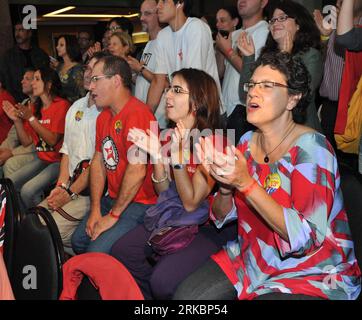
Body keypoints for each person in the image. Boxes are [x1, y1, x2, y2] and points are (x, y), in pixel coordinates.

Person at [174, 52, 361, 300]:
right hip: (252, 259)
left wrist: (246, 183)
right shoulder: (245, 142)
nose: (253, 92)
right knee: (186, 298)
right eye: (252, 84)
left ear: (293, 99)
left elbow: (305, 238)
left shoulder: (312, 149)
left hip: (312, 272)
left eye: (267, 85)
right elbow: (220, 216)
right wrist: (227, 187)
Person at [111, 68, 236, 300]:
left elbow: (191, 203)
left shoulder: (214, 141)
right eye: (169, 88)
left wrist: (177, 157)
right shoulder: (168, 136)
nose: (167, 95)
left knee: (162, 279)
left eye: (177, 90)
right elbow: (164, 192)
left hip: (206, 226)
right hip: (173, 215)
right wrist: (158, 157)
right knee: (123, 252)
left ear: (197, 101)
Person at [71, 55, 157, 254]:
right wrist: (95, 209)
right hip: (113, 198)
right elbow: (98, 162)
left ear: (116, 81)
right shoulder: (103, 118)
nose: (90, 87)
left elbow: (137, 171)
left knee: (95, 250)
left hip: (140, 203)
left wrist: (113, 216)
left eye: (96, 79)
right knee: (78, 242)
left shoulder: (139, 114)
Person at [38, 53, 107, 255]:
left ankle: (82, 260)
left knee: (49, 231)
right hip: (70, 185)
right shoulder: (76, 107)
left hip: (91, 192)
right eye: (87, 68)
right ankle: (72, 258)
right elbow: (66, 151)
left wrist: (69, 193)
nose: (88, 74)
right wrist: (61, 186)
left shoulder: (107, 113)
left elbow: (96, 164)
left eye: (95, 71)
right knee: (35, 220)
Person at [238, 0, 323, 132]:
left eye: (282, 18)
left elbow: (302, 97)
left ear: (298, 24)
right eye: (272, 20)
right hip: (268, 132)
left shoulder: (311, 55)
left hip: (300, 134)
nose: (275, 23)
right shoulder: (266, 56)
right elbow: (244, 95)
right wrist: (249, 57)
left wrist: (285, 56)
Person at [3, 67, 70, 210]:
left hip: (59, 162)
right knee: (10, 184)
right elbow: (26, 141)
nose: (33, 83)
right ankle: (25, 220)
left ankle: (41, 224)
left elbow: (52, 140)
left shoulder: (61, 105)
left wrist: (31, 118)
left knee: (28, 191)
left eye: (37, 79)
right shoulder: (35, 108)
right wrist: (17, 121)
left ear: (49, 84)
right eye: (33, 79)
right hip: (42, 159)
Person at [146, 0, 222, 116]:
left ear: (180, 3)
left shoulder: (196, 27)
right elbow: (158, 81)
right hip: (181, 110)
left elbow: (192, 80)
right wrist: (146, 116)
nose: (158, 6)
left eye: (164, 1)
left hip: (206, 111)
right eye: (158, 2)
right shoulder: (162, 36)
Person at [216, 0, 269, 144]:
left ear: (263, 3)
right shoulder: (235, 34)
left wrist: (228, 51)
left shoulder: (264, 32)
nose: (242, 1)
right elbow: (221, 72)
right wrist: (221, 50)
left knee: (240, 160)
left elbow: (254, 74)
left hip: (243, 108)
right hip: (226, 108)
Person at [127, 0, 167, 128]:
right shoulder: (149, 44)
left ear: (159, 16)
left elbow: (166, 83)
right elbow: (143, 81)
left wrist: (140, 68)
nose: (142, 18)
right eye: (141, 14)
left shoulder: (166, 42)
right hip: (143, 117)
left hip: (158, 121)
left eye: (147, 14)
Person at [0, 22, 49, 102]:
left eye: (21, 30)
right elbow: (2, 80)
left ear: (29, 33)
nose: (17, 34)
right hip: (15, 101)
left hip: (40, 99)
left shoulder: (41, 54)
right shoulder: (8, 56)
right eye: (16, 30)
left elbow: (47, 76)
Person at [0, 69, 37, 178]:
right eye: (22, 78)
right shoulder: (25, 103)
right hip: (22, 146)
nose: (22, 81)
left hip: (38, 153)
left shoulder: (43, 106)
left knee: (10, 164)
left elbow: (36, 143)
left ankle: (13, 194)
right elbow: (13, 134)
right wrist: (3, 149)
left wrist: (12, 152)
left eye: (27, 79)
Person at [55, 35, 86, 104]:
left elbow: (82, 94)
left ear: (69, 47)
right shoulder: (59, 66)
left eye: (61, 45)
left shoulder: (77, 68)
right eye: (57, 45)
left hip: (74, 106)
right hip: (60, 106)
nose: (57, 47)